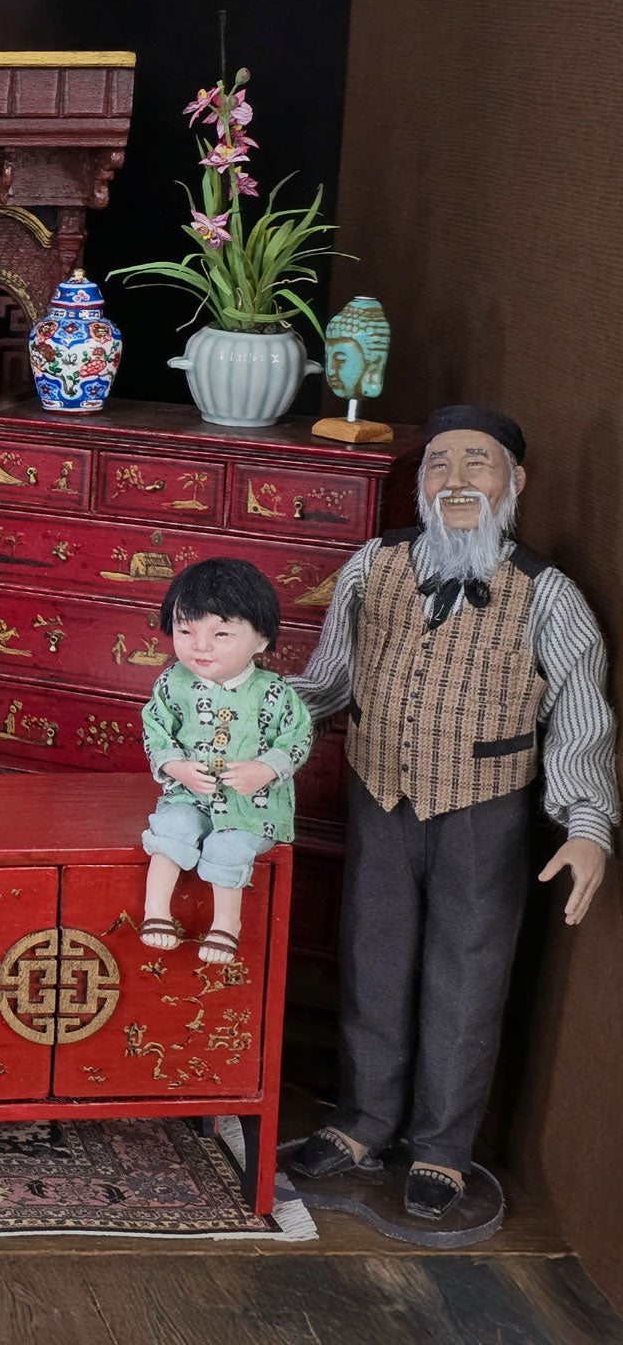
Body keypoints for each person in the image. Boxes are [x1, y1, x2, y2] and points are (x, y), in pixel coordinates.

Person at [287, 405, 616, 1221]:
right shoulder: (374, 568)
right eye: (440, 465)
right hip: (381, 796)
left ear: (516, 483)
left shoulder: (549, 595)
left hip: (484, 815)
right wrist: (247, 714)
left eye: (479, 463)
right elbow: (327, 680)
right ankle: (364, 1123)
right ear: (420, 483)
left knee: (466, 981)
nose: (458, 481)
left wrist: (587, 828)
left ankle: (441, 1148)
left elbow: (582, 716)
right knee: (374, 960)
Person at [138, 558, 312, 965]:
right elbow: (155, 729)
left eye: (221, 634)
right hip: (189, 796)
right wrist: (176, 767)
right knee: (171, 826)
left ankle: (226, 924)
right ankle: (155, 912)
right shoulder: (171, 683)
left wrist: (265, 769)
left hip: (252, 808)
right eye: (186, 631)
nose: (200, 646)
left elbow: (297, 736)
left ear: (261, 640)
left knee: (228, 844)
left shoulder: (274, 693)